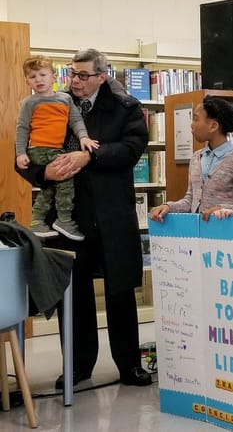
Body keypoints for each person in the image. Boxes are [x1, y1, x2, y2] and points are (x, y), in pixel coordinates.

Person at [15, 48, 153, 389]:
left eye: (83, 75)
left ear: (102, 76)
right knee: (72, 294)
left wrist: (88, 156)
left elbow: (133, 148)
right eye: (72, 74)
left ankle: (129, 364)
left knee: (120, 292)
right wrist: (41, 172)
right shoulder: (51, 102)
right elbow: (28, 151)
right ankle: (78, 366)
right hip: (68, 218)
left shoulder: (125, 107)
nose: (75, 81)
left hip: (111, 213)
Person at [15, 55, 98, 241]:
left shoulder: (65, 99)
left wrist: (84, 137)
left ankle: (37, 220)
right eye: (33, 77)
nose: (38, 80)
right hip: (38, 149)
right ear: (27, 80)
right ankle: (64, 220)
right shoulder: (29, 102)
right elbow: (22, 128)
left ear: (54, 77)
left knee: (50, 187)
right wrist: (20, 153)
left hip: (56, 149)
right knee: (66, 180)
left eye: (42, 75)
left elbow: (76, 120)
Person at [149, 96, 233, 221]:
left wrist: (223, 209)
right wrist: (168, 206)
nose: (192, 125)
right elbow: (190, 200)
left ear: (213, 126)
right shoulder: (196, 158)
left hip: (226, 234)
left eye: (196, 119)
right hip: (198, 235)